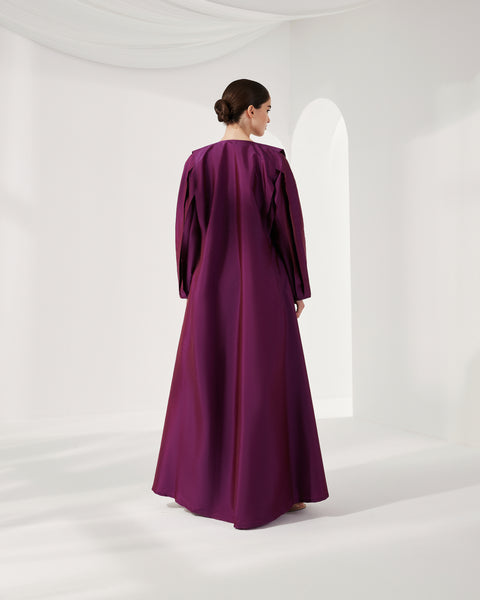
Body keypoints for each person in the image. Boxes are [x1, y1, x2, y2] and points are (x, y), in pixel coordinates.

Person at [152, 79, 329, 529]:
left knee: (204, 382)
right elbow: (288, 230)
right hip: (264, 286)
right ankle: (281, 489)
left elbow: (186, 231)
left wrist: (192, 284)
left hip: (209, 287)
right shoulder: (272, 162)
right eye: (267, 109)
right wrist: (297, 285)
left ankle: (196, 485)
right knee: (268, 383)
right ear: (249, 111)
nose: (269, 118)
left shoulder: (197, 163)